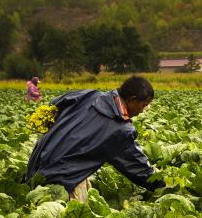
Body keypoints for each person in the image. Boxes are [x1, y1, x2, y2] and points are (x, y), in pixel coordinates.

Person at [25, 75, 164, 202]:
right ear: (132, 100)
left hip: (35, 167)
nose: (142, 110)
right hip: (60, 184)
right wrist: (164, 186)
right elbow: (137, 168)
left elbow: (54, 104)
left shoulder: (88, 95)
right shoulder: (120, 130)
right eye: (144, 105)